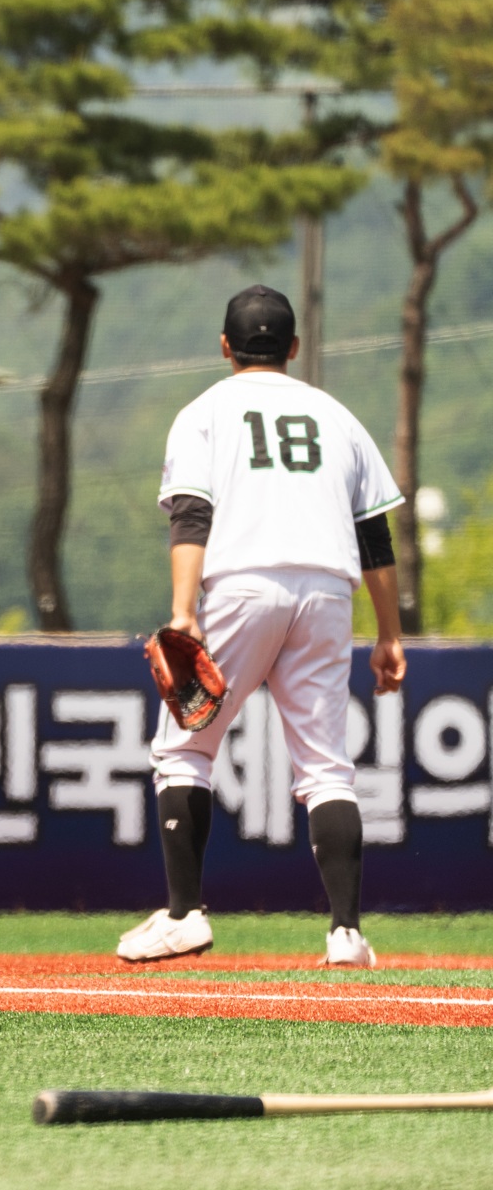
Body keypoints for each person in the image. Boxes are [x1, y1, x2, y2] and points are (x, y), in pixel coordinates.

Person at [119, 284, 406, 967]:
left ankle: (184, 916)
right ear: (294, 347)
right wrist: (390, 634)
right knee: (326, 767)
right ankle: (346, 934)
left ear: (226, 346)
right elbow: (374, 535)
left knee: (184, 750)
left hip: (241, 585)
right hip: (327, 590)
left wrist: (184, 612)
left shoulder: (204, 413)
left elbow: (192, 514)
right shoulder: (338, 417)